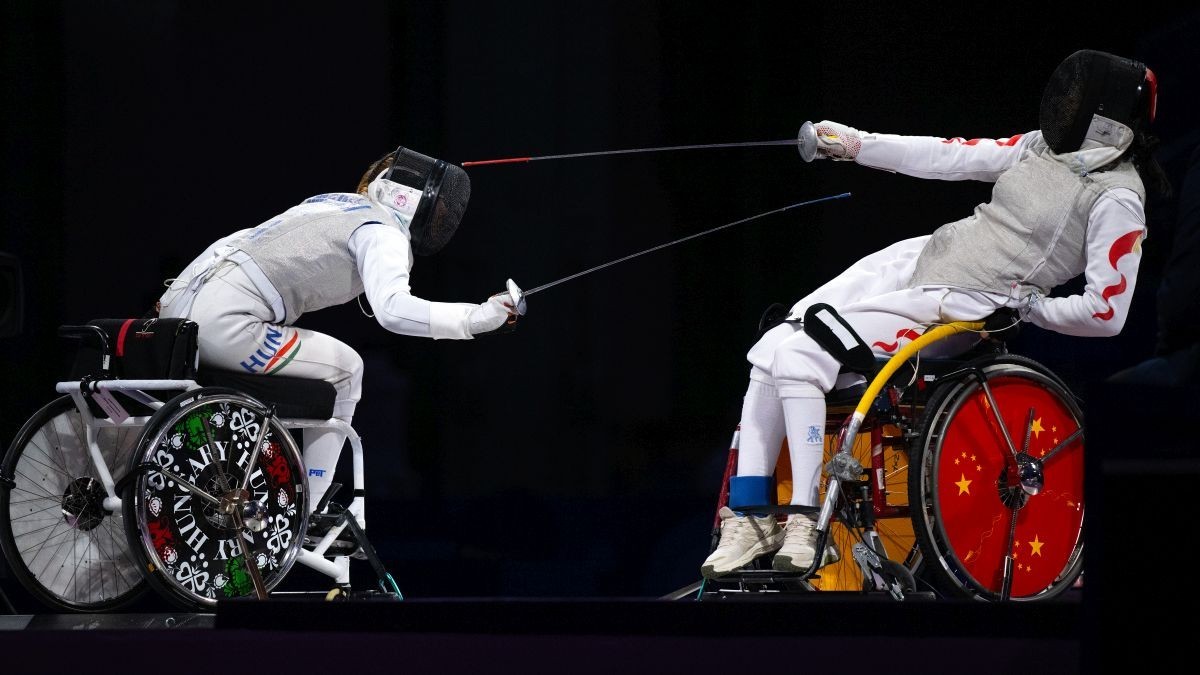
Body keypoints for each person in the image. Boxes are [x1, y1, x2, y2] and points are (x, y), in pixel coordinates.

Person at [702, 49, 1168, 579]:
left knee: (801, 360)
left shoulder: (1118, 199)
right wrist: (856, 145)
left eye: (1075, 96)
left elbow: (1106, 311)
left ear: (1103, 117)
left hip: (962, 304)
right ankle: (750, 515)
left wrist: (1030, 306)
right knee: (771, 349)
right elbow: (949, 156)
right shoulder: (1042, 147)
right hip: (922, 258)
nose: (1060, 104)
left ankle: (806, 523)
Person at [156, 146, 520, 516]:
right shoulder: (382, 231)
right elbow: (393, 311)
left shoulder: (330, 204)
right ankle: (309, 508)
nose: (444, 217)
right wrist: (473, 320)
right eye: (440, 209)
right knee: (348, 370)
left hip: (177, 308)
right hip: (226, 323)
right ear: (410, 199)